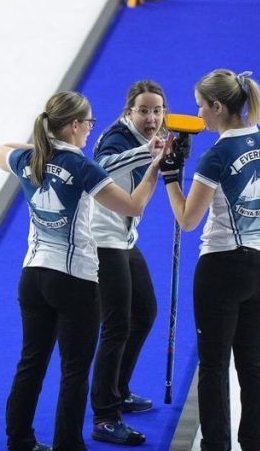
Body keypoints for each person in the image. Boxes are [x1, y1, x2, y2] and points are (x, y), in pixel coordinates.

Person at [0, 91, 166, 451]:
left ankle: (19, 441)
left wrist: (40, 148)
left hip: (33, 276)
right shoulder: (82, 168)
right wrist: (155, 166)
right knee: (74, 371)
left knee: (31, 362)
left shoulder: (28, 158)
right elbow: (133, 205)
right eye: (88, 122)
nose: (91, 128)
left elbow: (0, 150)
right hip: (73, 281)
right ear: (73, 125)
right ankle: (68, 444)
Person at [159, 69, 260, 451]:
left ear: (217, 106)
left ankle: (216, 444)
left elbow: (187, 219)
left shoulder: (215, 156)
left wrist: (170, 179)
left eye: (201, 107)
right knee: (251, 361)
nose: (199, 115)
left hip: (222, 266)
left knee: (214, 364)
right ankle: (253, 443)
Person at [88, 80, 167, 446]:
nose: (152, 118)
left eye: (157, 110)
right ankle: (104, 415)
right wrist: (149, 153)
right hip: (103, 241)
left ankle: (118, 389)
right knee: (116, 325)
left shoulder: (154, 135)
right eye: (144, 111)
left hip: (124, 238)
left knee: (145, 312)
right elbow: (100, 166)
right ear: (128, 112)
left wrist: (167, 160)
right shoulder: (116, 137)